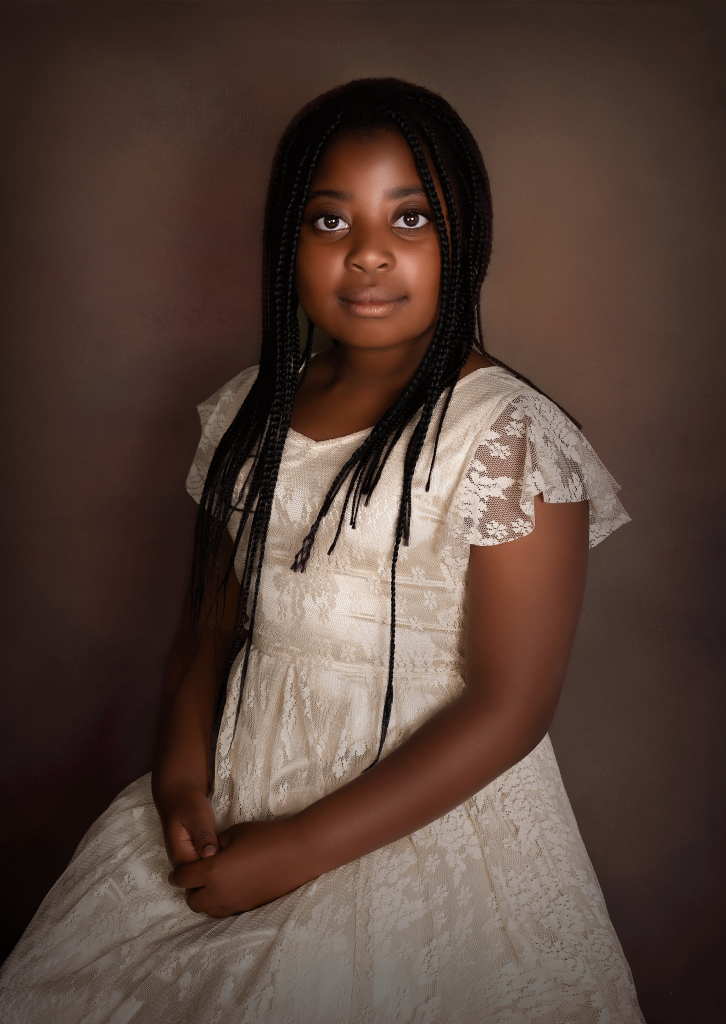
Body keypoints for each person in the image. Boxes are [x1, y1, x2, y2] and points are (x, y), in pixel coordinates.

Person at [0, 78, 645, 1023]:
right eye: (330, 221)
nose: (371, 253)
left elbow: (511, 706)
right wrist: (181, 779)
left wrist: (301, 847)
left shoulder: (506, 437)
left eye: (412, 217)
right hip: (238, 784)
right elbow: (209, 631)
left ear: (466, 237)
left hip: (419, 824)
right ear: (287, 243)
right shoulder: (250, 411)